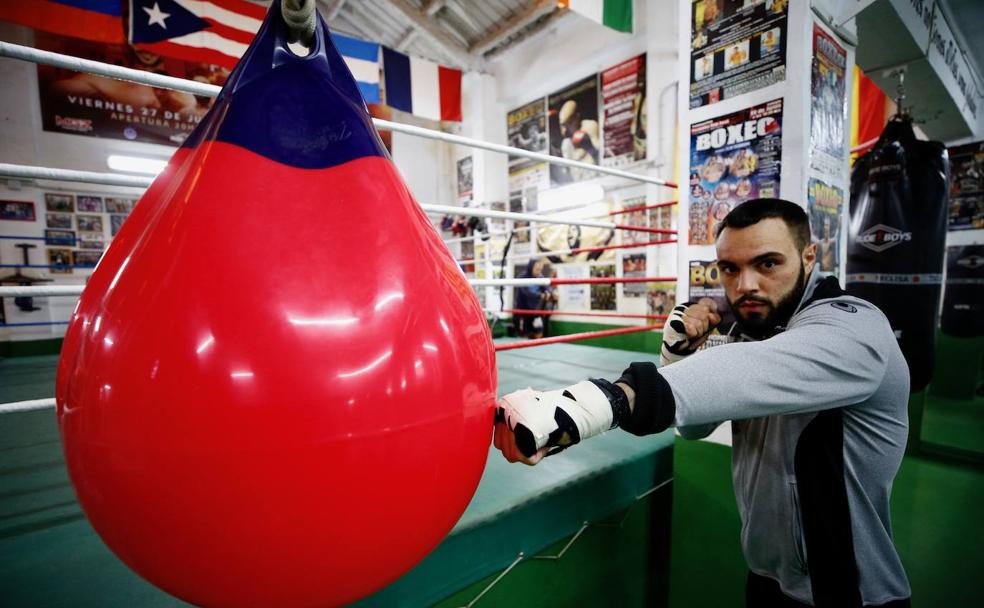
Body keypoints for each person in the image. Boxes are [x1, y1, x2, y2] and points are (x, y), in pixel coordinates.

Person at [494, 199, 912, 607]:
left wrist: (603, 401)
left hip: (846, 588)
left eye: (767, 263)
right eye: (730, 268)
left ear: (808, 256)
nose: (745, 285)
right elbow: (693, 429)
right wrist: (679, 357)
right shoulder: (755, 334)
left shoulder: (854, 327)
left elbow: (755, 369)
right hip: (769, 574)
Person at [513, 258, 547, 339]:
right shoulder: (522, 277)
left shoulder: (540, 277)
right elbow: (525, 293)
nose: (539, 272)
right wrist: (539, 295)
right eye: (537, 269)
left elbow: (546, 288)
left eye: (540, 270)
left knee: (539, 332)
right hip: (523, 311)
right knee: (524, 335)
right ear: (531, 267)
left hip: (535, 312)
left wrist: (551, 293)